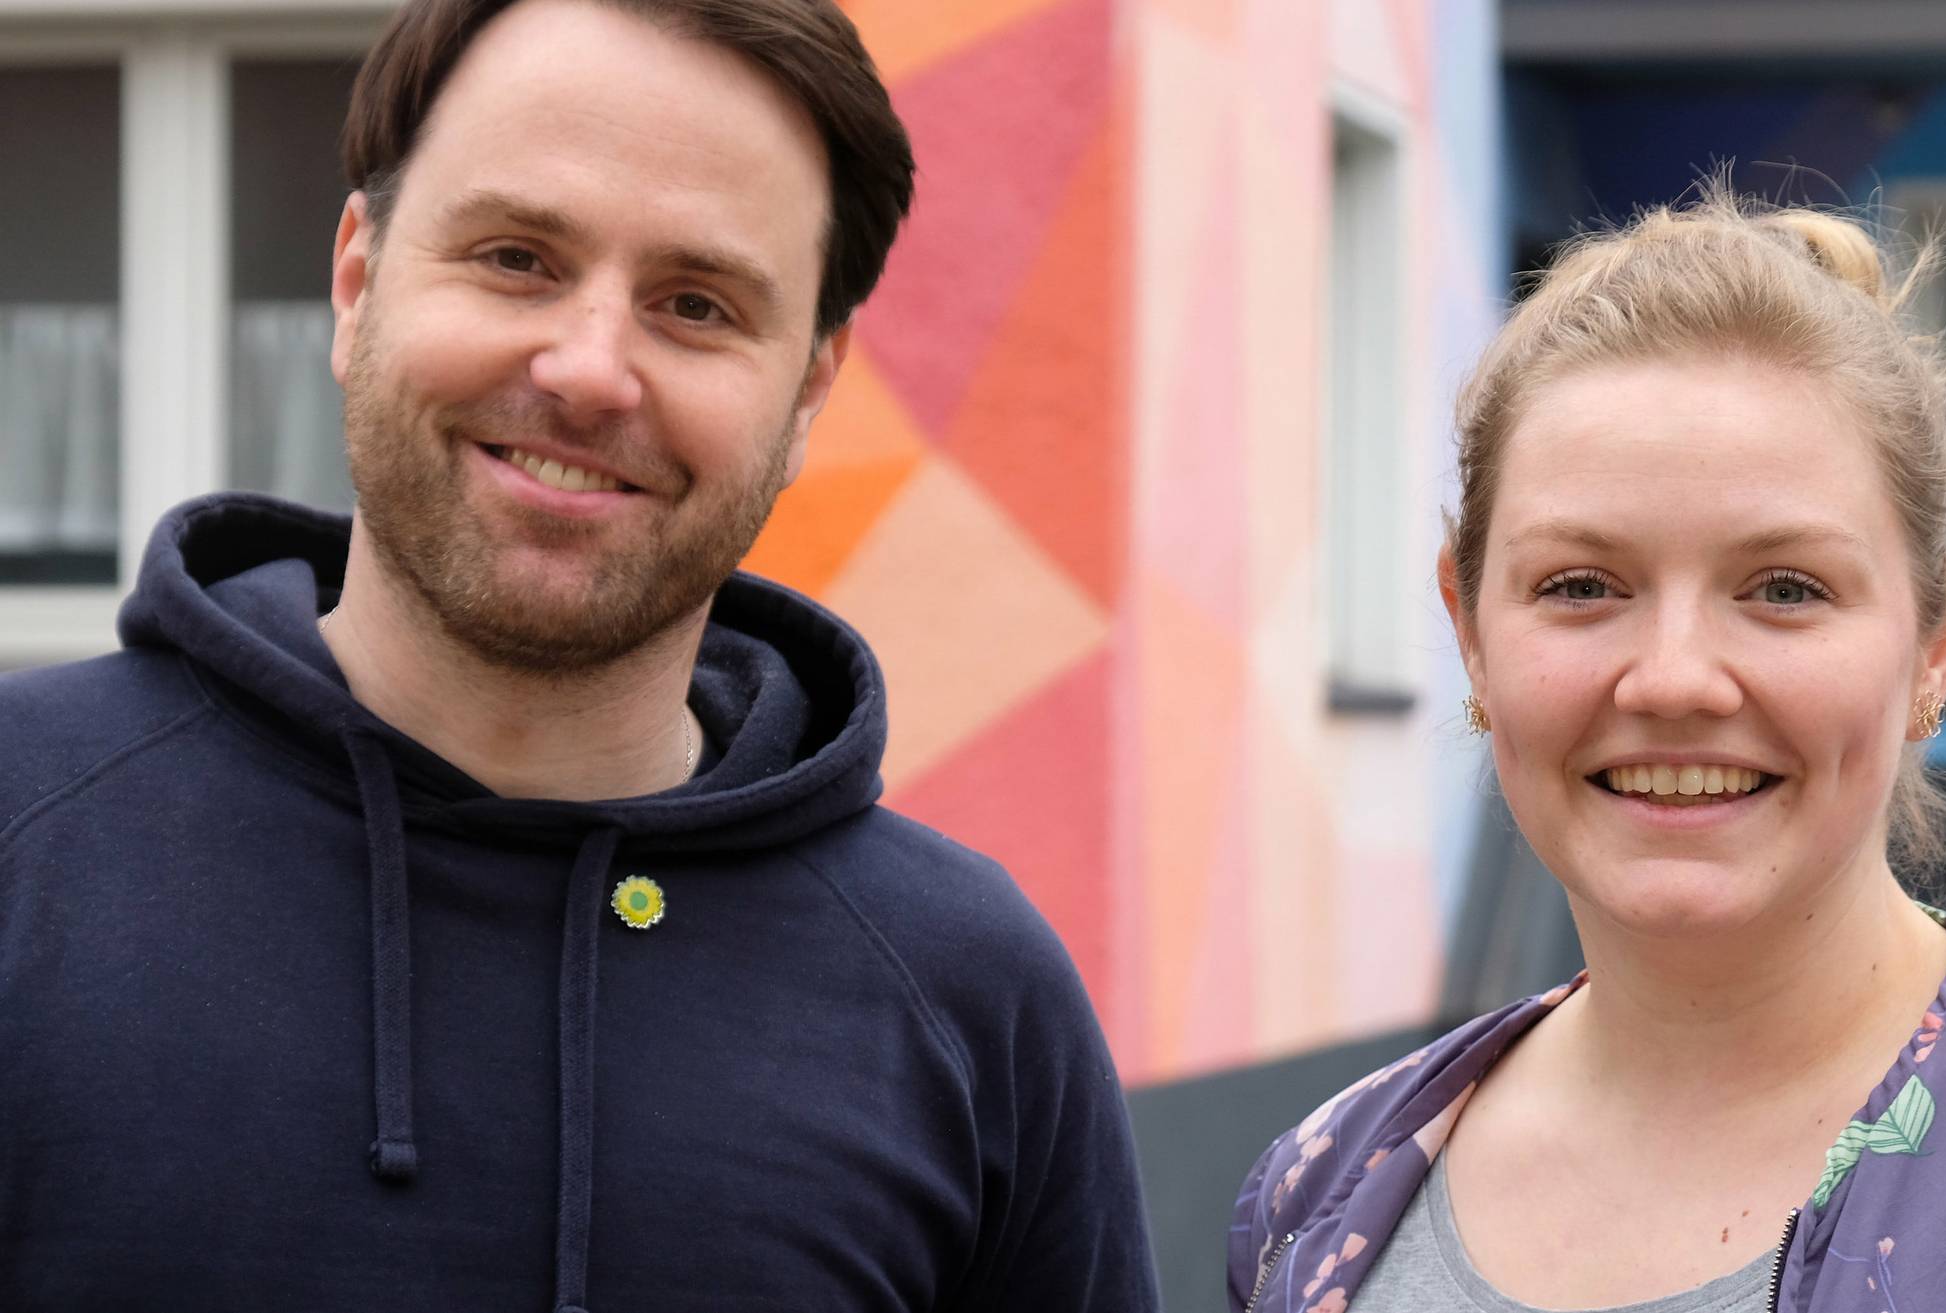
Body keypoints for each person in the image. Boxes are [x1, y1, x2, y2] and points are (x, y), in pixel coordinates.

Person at [0, 2, 1158, 1309]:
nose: (592, 370)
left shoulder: (972, 1000)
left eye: (697, 304)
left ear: (809, 394)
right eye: (514, 257)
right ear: (357, 278)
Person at [1227, 188, 1946, 1313]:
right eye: (1581, 586)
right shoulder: (1319, 1195)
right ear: (1471, 633)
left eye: (1785, 588)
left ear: (1936, 642)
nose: (1674, 676)